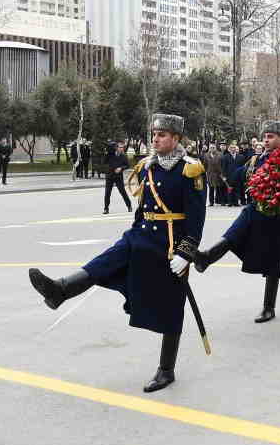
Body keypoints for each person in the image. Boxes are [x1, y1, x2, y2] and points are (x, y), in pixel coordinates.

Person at [28, 113, 205, 392]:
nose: (156, 139)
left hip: (170, 245)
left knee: (172, 306)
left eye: (162, 135)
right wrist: (134, 230)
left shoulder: (190, 170)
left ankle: (166, 369)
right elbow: (142, 208)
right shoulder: (147, 166)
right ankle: (60, 290)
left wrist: (186, 252)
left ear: (176, 139)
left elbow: (196, 218)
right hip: (141, 235)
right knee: (107, 261)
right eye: (154, 134)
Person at [194, 121, 280, 323]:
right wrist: (224, 174)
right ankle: (206, 257)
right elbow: (238, 176)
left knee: (273, 259)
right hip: (256, 207)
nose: (266, 140)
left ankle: (268, 307)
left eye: (271, 136)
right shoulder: (257, 158)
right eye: (265, 136)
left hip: (277, 212)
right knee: (236, 231)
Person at [104, 141, 132, 214]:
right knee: (107, 193)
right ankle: (106, 209)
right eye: (120, 147)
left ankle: (129, 206)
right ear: (116, 148)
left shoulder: (123, 156)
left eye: (122, 147)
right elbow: (105, 162)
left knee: (123, 192)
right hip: (110, 176)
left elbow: (127, 165)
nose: (121, 148)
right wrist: (107, 153)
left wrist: (121, 168)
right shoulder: (110, 155)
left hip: (118, 177)